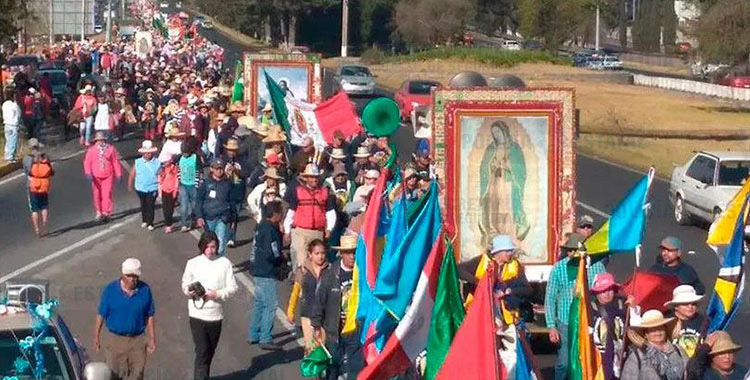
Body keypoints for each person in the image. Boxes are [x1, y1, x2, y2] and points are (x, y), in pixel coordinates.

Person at [544, 233, 606, 380]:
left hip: (589, 321)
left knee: (588, 359)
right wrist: (551, 325)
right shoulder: (559, 268)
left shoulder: (596, 266)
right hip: (566, 322)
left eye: (575, 250)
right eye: (569, 250)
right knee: (564, 363)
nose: (572, 253)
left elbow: (605, 290)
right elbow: (550, 297)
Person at [181, 231, 238, 380]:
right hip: (197, 314)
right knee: (202, 351)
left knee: (209, 351)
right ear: (202, 246)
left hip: (215, 315)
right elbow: (185, 284)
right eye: (207, 247)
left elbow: (232, 288)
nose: (210, 250)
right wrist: (190, 292)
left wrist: (217, 294)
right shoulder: (192, 263)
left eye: (213, 247)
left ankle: (203, 375)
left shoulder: (224, 263)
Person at [94, 258, 156, 380]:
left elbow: (150, 315)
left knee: (137, 375)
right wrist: (96, 336)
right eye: (129, 276)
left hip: (137, 340)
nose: (132, 279)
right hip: (115, 341)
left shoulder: (145, 290)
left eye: (135, 276)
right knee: (113, 373)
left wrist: (152, 338)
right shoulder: (110, 290)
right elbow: (101, 314)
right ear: (123, 275)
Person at [311, 234, 363, 379]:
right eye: (349, 252)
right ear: (342, 253)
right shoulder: (330, 274)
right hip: (335, 330)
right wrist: (316, 327)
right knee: (332, 369)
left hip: (356, 329)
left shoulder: (363, 274)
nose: (352, 256)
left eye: (355, 252)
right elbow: (319, 301)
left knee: (356, 369)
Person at [283, 164, 337, 273]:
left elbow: (331, 212)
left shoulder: (325, 193)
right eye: (311, 177)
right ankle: (300, 284)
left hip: (317, 232)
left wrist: (329, 229)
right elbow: (291, 212)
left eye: (316, 177)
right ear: (306, 178)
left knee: (317, 263)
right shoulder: (298, 192)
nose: (314, 180)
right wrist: (287, 231)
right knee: (302, 261)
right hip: (300, 232)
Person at [248, 201, 285, 350]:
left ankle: (253, 334)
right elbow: (273, 251)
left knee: (259, 303)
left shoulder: (261, 227)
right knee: (270, 304)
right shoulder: (270, 230)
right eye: (280, 212)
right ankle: (265, 337)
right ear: (275, 214)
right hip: (266, 271)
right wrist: (280, 259)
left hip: (258, 269)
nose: (282, 215)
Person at [288, 239, 330, 354]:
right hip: (308, 313)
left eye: (322, 253)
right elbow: (295, 291)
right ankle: (310, 370)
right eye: (317, 254)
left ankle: (321, 370)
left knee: (321, 346)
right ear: (310, 255)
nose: (320, 257)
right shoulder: (303, 270)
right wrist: (290, 311)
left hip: (324, 315)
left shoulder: (329, 269)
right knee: (310, 346)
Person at [621, 310, 688, 380]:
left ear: (666, 330)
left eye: (661, 328)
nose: (658, 333)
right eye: (653, 330)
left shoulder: (678, 350)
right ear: (646, 334)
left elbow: (690, 374)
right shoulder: (637, 356)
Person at [590, 272, 629, 380]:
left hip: (620, 357)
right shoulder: (590, 310)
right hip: (598, 358)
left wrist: (633, 309)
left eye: (610, 289)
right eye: (603, 290)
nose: (607, 293)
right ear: (596, 292)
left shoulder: (623, 307)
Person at [196, 158, 233, 255]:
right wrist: (199, 216)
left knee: (220, 244)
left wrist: (233, 218)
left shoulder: (228, 183)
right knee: (208, 244)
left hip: (222, 217)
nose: (219, 170)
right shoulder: (206, 183)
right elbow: (199, 200)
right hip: (209, 218)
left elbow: (232, 201)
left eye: (221, 168)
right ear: (211, 169)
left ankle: (219, 263)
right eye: (217, 168)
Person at [84, 131, 123, 222]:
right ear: (95, 141)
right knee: (97, 194)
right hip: (95, 175)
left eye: (101, 140)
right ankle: (98, 211)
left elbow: (115, 162)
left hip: (108, 174)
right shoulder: (91, 150)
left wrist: (119, 173)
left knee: (107, 193)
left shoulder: (110, 149)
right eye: (98, 140)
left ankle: (106, 212)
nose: (100, 142)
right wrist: (88, 173)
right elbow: (87, 162)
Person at [665, 285, 710, 358]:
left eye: (693, 304)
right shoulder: (667, 322)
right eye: (685, 304)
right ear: (676, 306)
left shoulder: (705, 321)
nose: (690, 307)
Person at [129, 140, 161, 230]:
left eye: (150, 153)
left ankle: (150, 222)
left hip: (153, 188)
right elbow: (132, 173)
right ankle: (145, 220)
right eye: (146, 153)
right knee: (143, 204)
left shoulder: (157, 162)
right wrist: (130, 184)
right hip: (140, 187)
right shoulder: (138, 162)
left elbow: (161, 174)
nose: (148, 155)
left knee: (150, 205)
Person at [26, 150, 54, 237]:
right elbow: (51, 174)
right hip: (44, 188)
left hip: (34, 188)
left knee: (34, 210)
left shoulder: (33, 165)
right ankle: (44, 222)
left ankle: (37, 228)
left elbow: (29, 175)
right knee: (44, 207)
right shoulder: (47, 165)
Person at [179, 140, 202, 232]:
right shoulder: (179, 158)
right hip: (183, 184)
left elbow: (199, 171)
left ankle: (193, 221)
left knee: (194, 205)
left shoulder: (196, 158)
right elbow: (178, 168)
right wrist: (179, 180)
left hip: (193, 185)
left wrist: (198, 183)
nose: (185, 154)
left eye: (186, 152)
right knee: (184, 206)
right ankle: (184, 224)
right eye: (183, 153)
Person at [159, 153, 180, 233]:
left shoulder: (175, 168)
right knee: (165, 207)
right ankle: (167, 223)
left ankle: (169, 223)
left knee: (170, 208)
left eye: (165, 162)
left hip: (172, 190)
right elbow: (160, 181)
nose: (164, 163)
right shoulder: (162, 169)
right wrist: (162, 175)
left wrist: (175, 190)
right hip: (164, 190)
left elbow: (177, 180)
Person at [3, 90, 22, 163]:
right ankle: (10, 157)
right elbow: (19, 113)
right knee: (13, 141)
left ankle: (7, 155)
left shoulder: (4, 104)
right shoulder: (14, 104)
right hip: (13, 125)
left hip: (6, 124)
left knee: (8, 140)